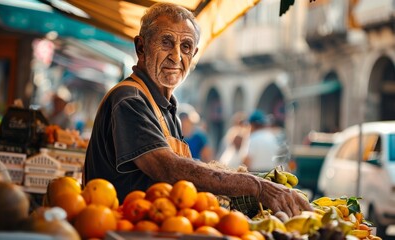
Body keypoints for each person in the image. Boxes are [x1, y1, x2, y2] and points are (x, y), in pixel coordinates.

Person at [84, 2, 311, 217]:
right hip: (118, 228)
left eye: (186, 47)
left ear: (193, 55)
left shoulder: (165, 107)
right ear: (141, 47)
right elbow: (168, 168)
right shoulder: (129, 99)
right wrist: (257, 186)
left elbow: (184, 180)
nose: (176, 56)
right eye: (166, 42)